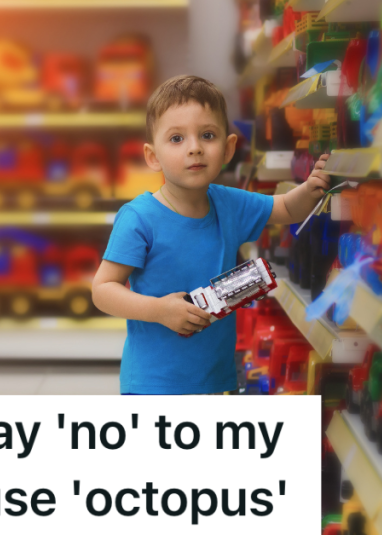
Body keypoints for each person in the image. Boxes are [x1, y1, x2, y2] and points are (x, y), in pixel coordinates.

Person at [91, 75, 330, 395]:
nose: (195, 149)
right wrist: (159, 310)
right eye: (176, 139)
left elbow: (287, 209)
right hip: (152, 385)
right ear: (152, 156)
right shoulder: (139, 219)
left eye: (207, 135)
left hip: (214, 381)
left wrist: (312, 188)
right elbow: (103, 290)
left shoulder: (229, 203)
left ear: (228, 147)